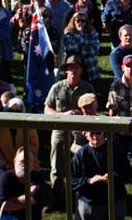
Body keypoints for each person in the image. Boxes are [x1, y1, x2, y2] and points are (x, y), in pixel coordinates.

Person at [43, 55, 94, 212]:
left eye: (76, 67)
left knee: (80, 167)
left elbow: (93, 110)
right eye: (70, 68)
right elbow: (47, 109)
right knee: (57, 168)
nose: (73, 70)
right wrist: (64, 115)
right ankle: (54, 199)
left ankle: (77, 199)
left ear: (81, 70)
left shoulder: (87, 87)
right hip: (60, 130)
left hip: (81, 133)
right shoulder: (57, 87)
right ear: (66, 71)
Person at [71, 130, 131, 220]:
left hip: (115, 201)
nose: (95, 136)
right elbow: (72, 181)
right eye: (91, 134)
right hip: (90, 204)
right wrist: (89, 180)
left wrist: (114, 177)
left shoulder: (115, 149)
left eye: (98, 133)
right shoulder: (80, 154)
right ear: (85, 135)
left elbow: (128, 173)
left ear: (104, 133)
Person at [0, 147, 47, 220]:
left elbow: (35, 198)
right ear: (15, 161)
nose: (25, 164)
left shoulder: (37, 177)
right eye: (22, 161)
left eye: (29, 161)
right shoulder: (5, 178)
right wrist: (28, 201)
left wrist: (11, 199)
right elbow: (0, 205)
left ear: (33, 164)